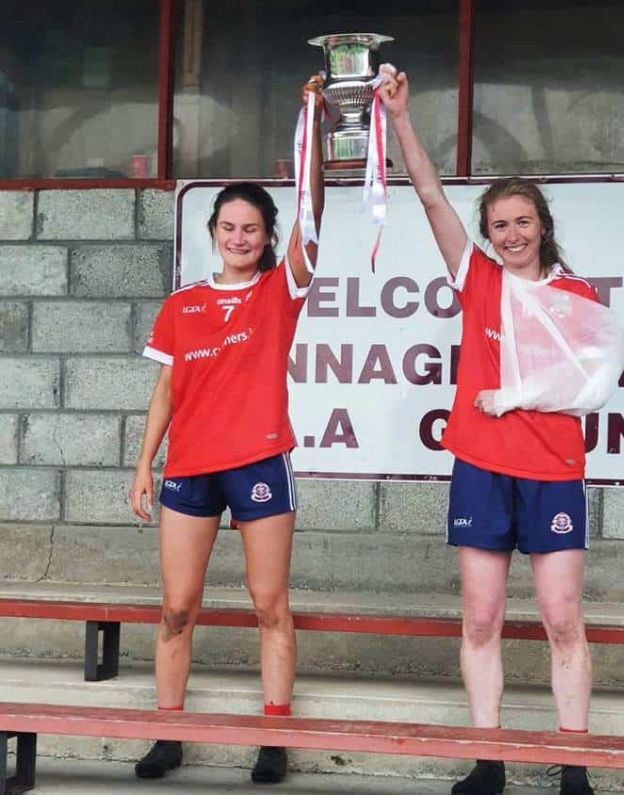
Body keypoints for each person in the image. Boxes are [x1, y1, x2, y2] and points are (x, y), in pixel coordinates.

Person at [378, 68, 597, 795]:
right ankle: (488, 758)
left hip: (552, 468)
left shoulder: (574, 296)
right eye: (498, 224)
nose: (509, 235)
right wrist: (402, 118)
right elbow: (431, 195)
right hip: (479, 463)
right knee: (479, 618)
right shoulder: (478, 280)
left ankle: (574, 766)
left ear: (542, 227)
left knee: (562, 619)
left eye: (521, 222)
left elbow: (588, 385)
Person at [127, 75, 325, 785]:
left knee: (269, 603)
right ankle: (168, 731)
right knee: (177, 608)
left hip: (260, 461)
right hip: (191, 467)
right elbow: (166, 392)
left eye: (252, 228)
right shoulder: (181, 306)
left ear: (267, 236)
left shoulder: (280, 292)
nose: (240, 237)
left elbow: (316, 218)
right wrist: (145, 463)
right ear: (212, 232)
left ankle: (274, 733)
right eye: (228, 227)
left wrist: (315, 127)